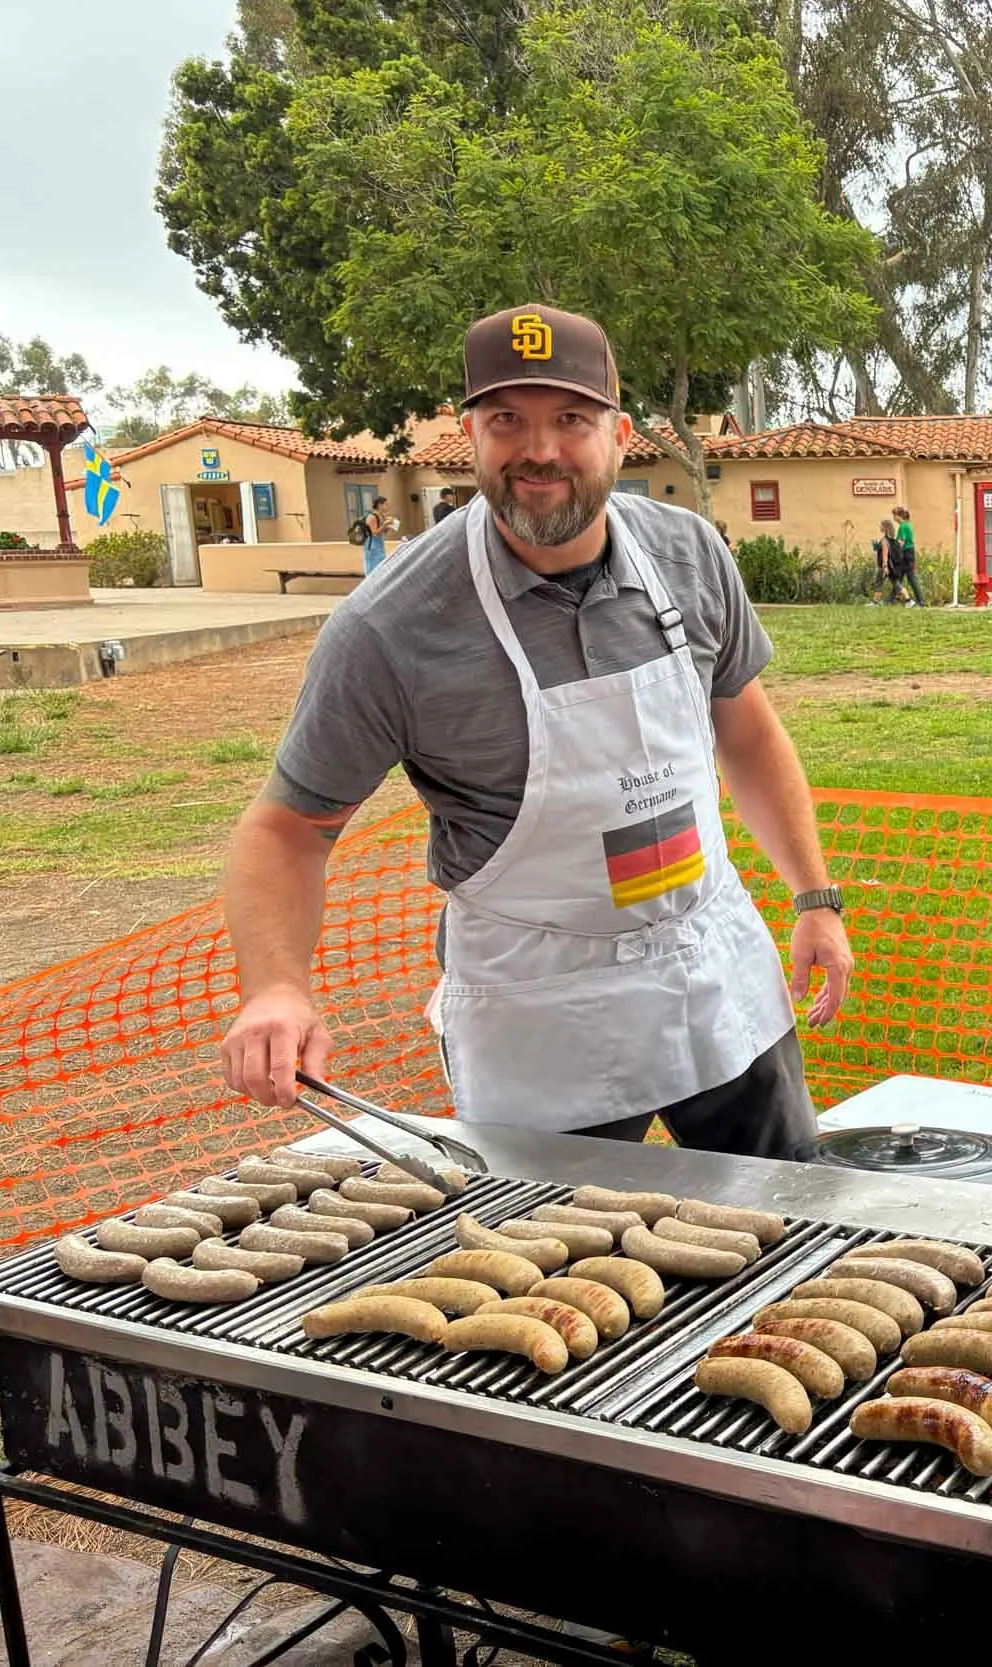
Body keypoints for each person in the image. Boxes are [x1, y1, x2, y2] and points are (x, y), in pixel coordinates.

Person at [220, 303, 854, 1164]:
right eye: (506, 420)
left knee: (787, 1215)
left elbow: (746, 730)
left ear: (621, 434)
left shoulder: (691, 556)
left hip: (709, 971)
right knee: (554, 1272)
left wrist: (813, 896)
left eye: (571, 419)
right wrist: (277, 989)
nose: (540, 450)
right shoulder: (392, 627)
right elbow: (287, 830)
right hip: (544, 1009)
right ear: (468, 433)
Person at [879, 517, 923, 608]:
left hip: (905, 555)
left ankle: (918, 601)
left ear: (898, 516)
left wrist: (889, 548)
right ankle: (889, 600)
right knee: (897, 579)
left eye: (894, 515)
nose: (894, 518)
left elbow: (901, 543)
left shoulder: (903, 526)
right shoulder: (908, 525)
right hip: (907, 554)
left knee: (910, 578)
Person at [359, 496, 394, 573]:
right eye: (386, 504)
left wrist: (389, 525)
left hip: (379, 546)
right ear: (379, 505)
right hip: (372, 547)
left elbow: (383, 532)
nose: (387, 506)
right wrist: (384, 524)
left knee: (381, 568)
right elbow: (374, 533)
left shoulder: (381, 516)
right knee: (373, 569)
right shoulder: (372, 517)